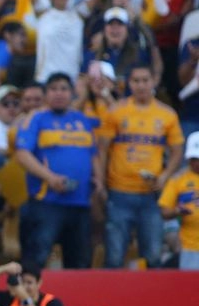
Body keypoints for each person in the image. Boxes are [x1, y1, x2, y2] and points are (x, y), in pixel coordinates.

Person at [100, 65, 184, 268]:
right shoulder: (116, 111)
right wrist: (101, 183)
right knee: (114, 256)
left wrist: (165, 176)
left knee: (153, 255)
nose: (141, 85)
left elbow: (177, 150)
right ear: (129, 84)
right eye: (136, 81)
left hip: (151, 195)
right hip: (119, 192)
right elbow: (102, 150)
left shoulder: (167, 115)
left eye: (145, 80)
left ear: (153, 82)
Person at [14, 73, 100, 269]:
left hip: (80, 203)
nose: (59, 93)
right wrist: (50, 178)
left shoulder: (82, 120)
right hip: (47, 203)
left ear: (71, 93)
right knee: (36, 260)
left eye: (64, 89)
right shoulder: (35, 119)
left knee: (80, 263)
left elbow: (94, 155)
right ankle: (30, 299)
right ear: (45, 94)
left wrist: (99, 181)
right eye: (53, 89)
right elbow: (22, 155)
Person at [159, 132, 199, 271]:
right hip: (190, 246)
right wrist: (177, 211)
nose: (197, 163)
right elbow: (164, 211)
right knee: (190, 288)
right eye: (194, 158)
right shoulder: (178, 179)